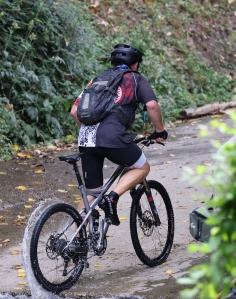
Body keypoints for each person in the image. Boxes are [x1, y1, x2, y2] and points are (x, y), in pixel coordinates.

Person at [69, 43, 168, 225]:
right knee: (142, 168)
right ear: (136, 64)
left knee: (93, 191)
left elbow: (75, 111)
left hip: (86, 138)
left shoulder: (97, 79)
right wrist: (160, 131)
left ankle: (76, 239)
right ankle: (112, 198)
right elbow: (152, 106)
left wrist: (92, 133)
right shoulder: (135, 78)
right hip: (112, 135)